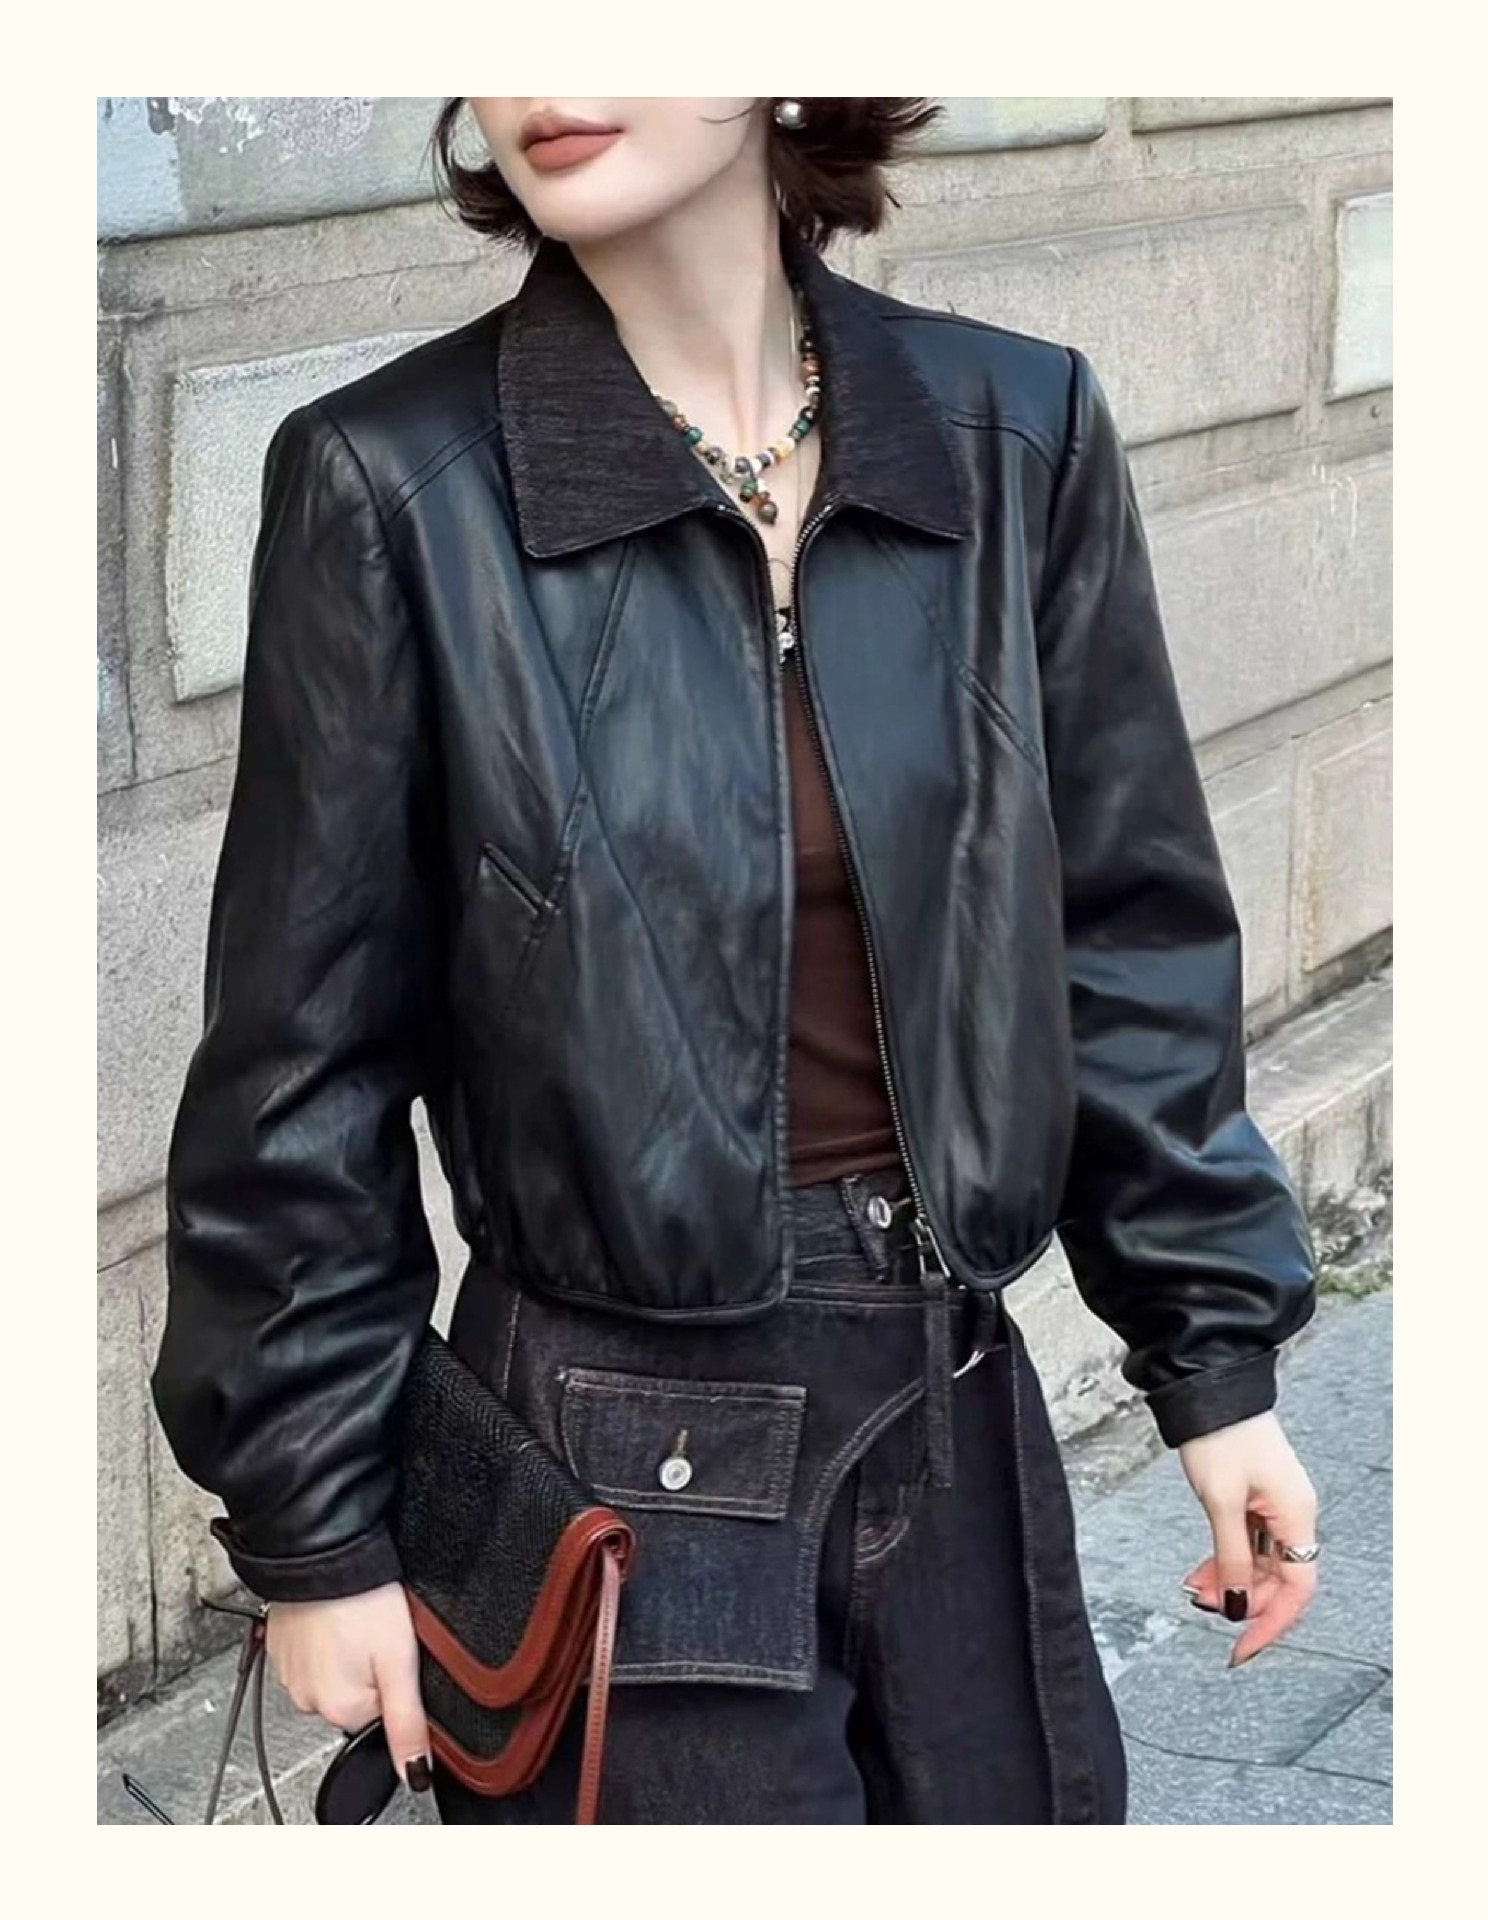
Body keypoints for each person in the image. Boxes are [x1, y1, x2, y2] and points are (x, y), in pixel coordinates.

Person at [151, 97, 1322, 1826]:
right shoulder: (393, 484)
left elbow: (1125, 936)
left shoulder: (1014, 430)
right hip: (612, 1431)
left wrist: (1212, 1364)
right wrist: (318, 1531)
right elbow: (299, 1062)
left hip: (956, 1394)